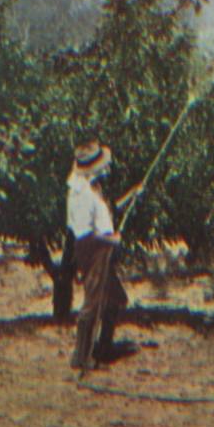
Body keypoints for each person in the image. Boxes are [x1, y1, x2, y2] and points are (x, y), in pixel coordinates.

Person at [66, 140, 142, 370]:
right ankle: (81, 357)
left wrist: (131, 195)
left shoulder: (94, 188)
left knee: (116, 299)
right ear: (92, 169)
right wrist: (112, 240)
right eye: (103, 165)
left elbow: (108, 211)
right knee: (92, 303)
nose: (107, 168)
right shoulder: (81, 196)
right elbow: (85, 236)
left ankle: (104, 347)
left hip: (103, 251)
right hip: (92, 252)